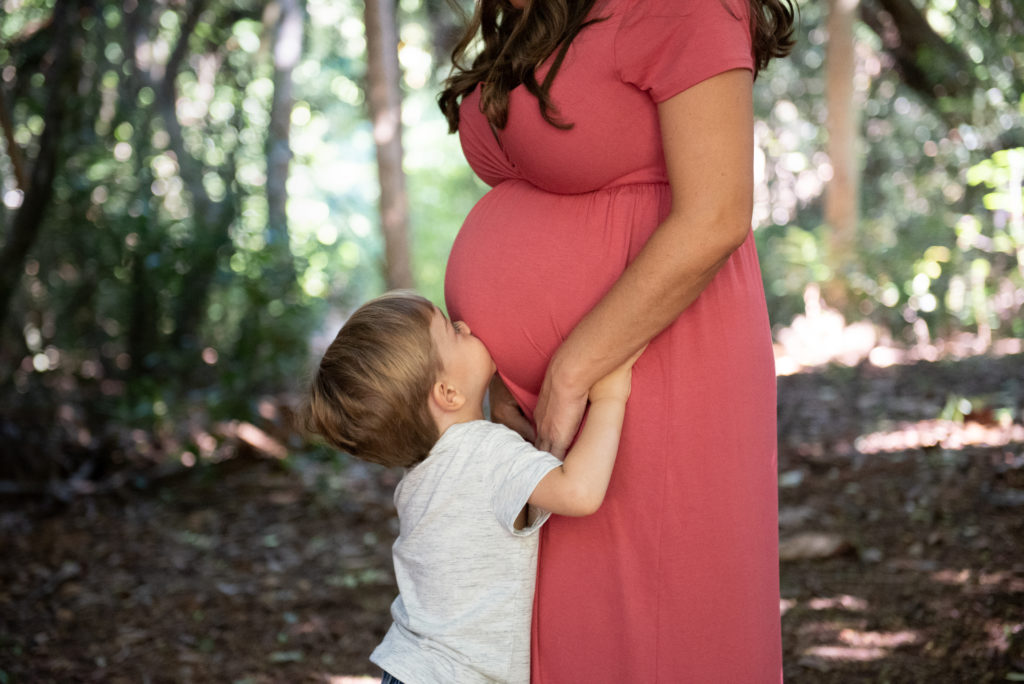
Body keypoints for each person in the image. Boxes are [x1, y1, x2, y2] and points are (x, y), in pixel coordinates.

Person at [439, 0, 795, 681]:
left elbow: (717, 215)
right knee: (564, 638)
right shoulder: (543, 12)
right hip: (546, 399)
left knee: (665, 631)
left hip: (657, 359)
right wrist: (501, 373)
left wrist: (571, 371)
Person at [304, 291, 640, 683]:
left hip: (411, 668)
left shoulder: (421, 476)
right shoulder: (485, 451)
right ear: (448, 394)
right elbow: (579, 493)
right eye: (451, 330)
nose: (464, 326)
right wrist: (611, 397)